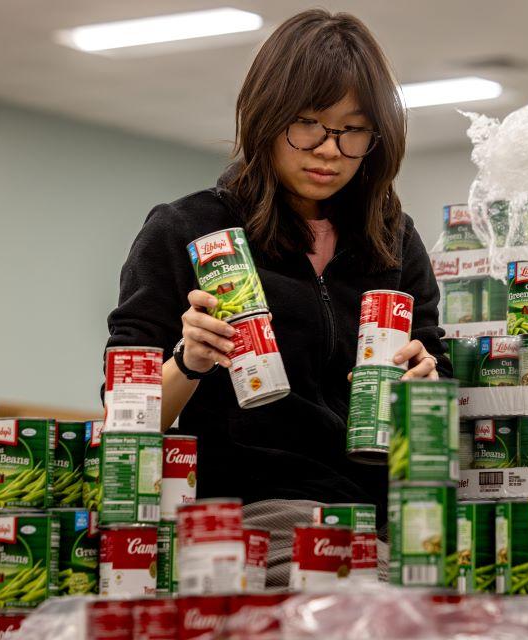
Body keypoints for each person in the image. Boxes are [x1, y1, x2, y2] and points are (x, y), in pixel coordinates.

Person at [104, 9, 449, 586]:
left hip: (387, 520)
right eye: (308, 123)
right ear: (265, 117)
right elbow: (122, 420)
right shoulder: (187, 229)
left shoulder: (392, 239)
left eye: (354, 130)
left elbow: (441, 387)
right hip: (251, 519)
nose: (330, 149)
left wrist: (429, 383)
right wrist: (190, 361)